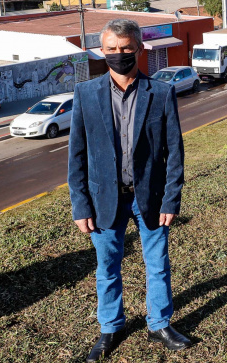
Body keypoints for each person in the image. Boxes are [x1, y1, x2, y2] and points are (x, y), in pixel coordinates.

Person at [68, 19, 191, 362]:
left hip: (150, 198)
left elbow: (174, 152)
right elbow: (77, 154)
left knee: (158, 264)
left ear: (139, 49)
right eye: (112, 48)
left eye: (125, 48)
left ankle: (159, 324)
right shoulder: (86, 94)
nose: (119, 54)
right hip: (103, 199)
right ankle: (111, 327)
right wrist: (80, 205)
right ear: (102, 51)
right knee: (107, 267)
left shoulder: (161, 92)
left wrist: (171, 199)